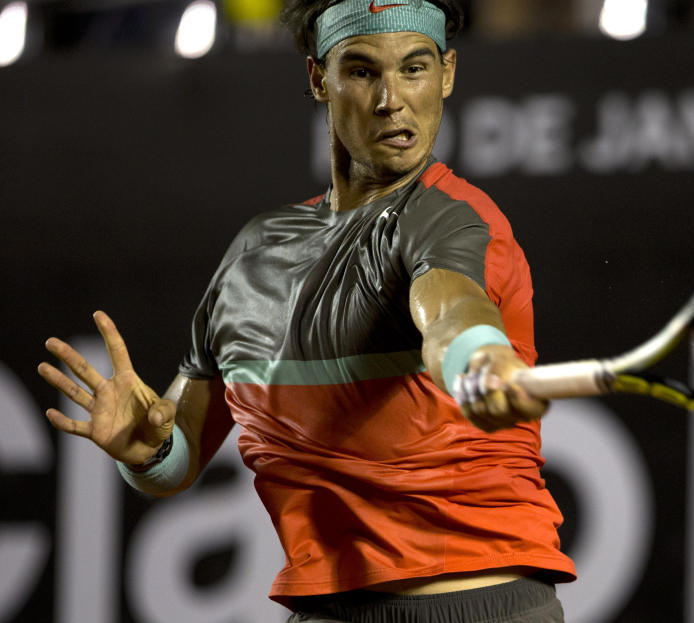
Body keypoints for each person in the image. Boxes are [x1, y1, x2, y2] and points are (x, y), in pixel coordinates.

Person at [37, 0, 576, 621]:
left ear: (447, 75)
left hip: (480, 604)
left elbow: (452, 308)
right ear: (319, 78)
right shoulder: (251, 257)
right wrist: (147, 449)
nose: (391, 99)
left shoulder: (453, 219)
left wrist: (475, 358)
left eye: (415, 68)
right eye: (363, 71)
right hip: (323, 608)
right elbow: (178, 460)